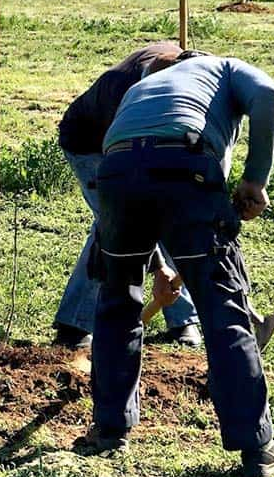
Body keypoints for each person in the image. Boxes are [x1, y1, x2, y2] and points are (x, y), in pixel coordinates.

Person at [86, 53, 274, 477]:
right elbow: (272, 97)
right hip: (184, 165)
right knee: (223, 310)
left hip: (117, 174)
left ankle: (109, 431)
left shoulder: (144, 87)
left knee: (118, 301)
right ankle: (259, 447)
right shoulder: (226, 68)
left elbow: (133, 155)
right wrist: (255, 179)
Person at [55, 43, 201, 349]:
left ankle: (183, 319)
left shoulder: (184, 66)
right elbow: (124, 193)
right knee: (114, 224)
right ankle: (74, 325)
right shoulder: (123, 95)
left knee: (173, 212)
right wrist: (158, 265)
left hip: (147, 144)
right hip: (91, 144)